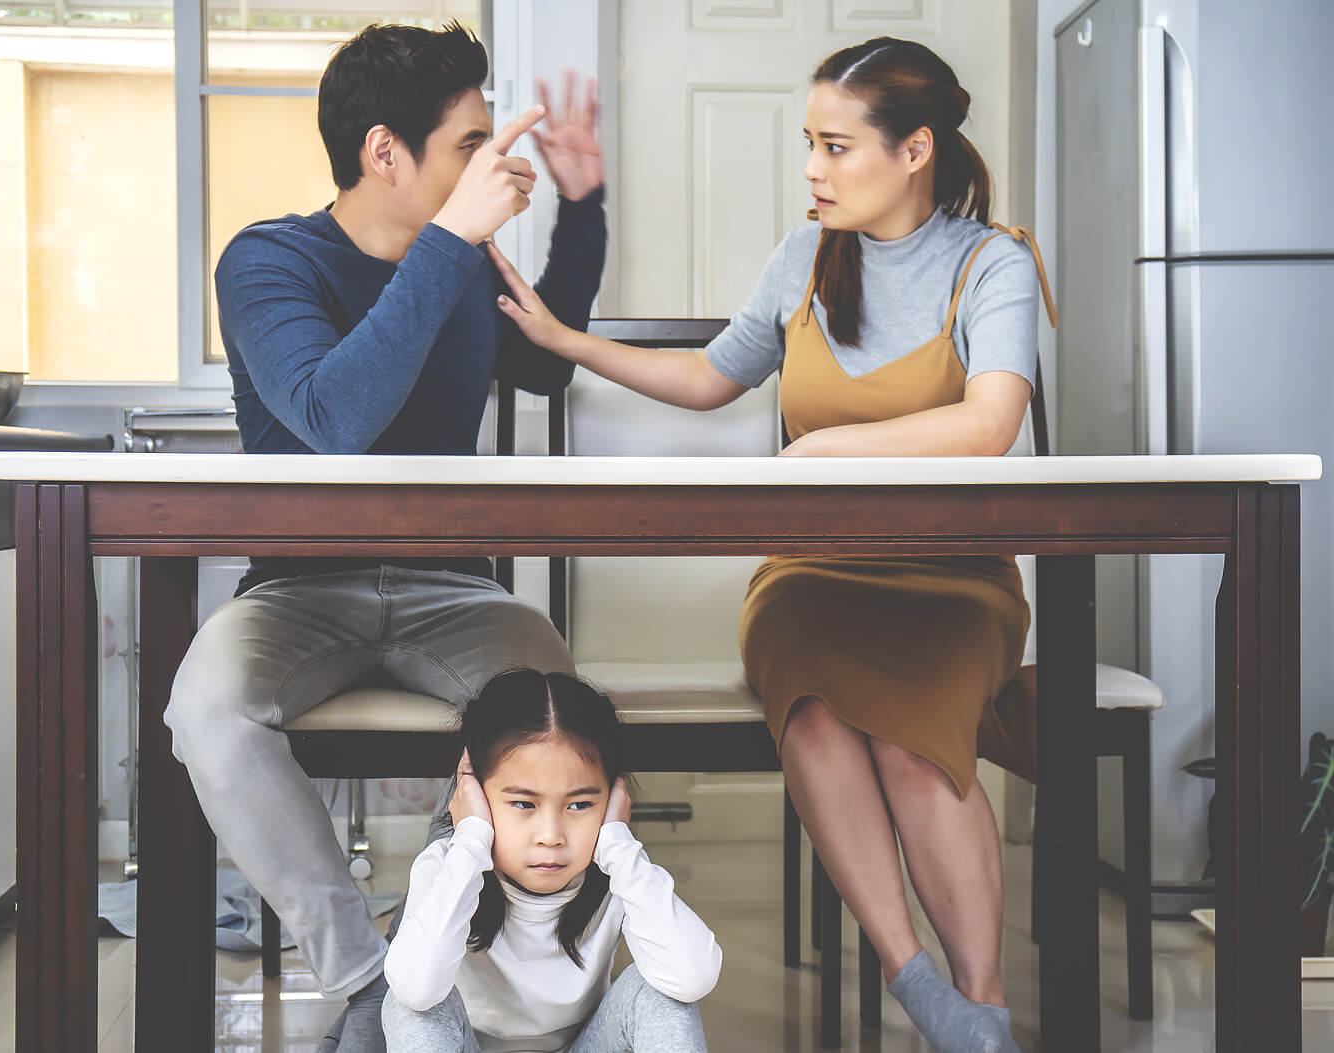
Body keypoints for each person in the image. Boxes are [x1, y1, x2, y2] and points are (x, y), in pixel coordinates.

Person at [486, 36, 1056, 1053]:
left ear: (915, 149)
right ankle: (917, 981)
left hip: (954, 581)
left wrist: (831, 443)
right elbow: (712, 378)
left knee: (913, 747)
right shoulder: (802, 260)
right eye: (809, 143)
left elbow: (990, 423)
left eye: (836, 146)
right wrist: (568, 343)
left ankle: (985, 1007)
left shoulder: (990, 263)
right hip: (809, 576)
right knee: (817, 717)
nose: (812, 168)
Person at [162, 21, 608, 1053]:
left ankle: (451, 954)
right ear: (383, 152)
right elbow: (334, 418)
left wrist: (581, 208)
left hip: (456, 590)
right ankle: (369, 980)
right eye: (469, 143)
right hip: (295, 594)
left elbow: (544, 364)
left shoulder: (456, 261)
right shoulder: (269, 261)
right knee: (204, 711)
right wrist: (451, 242)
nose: (492, 163)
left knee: (555, 718)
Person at [383, 669, 721, 1052]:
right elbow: (415, 988)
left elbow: (694, 977)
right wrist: (471, 839)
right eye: (523, 804)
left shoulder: (620, 874)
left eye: (580, 805)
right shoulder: (446, 866)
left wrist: (618, 847)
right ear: (473, 791)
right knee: (410, 1005)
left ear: (612, 800)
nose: (551, 836)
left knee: (663, 996)